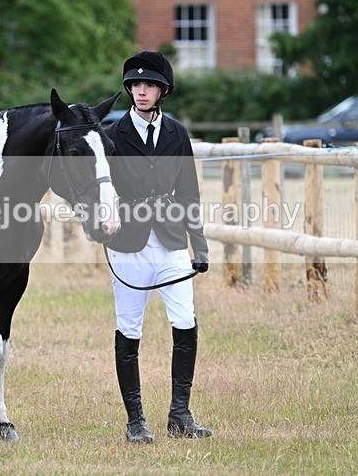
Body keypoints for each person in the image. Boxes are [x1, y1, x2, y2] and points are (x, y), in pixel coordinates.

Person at [104, 51, 211, 444]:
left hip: (170, 241)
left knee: (185, 321)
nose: (141, 91)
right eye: (135, 85)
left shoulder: (176, 134)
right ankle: (136, 421)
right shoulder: (112, 136)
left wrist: (198, 245)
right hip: (128, 244)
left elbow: (189, 191)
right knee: (129, 328)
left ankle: (180, 414)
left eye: (148, 85)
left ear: (162, 90)